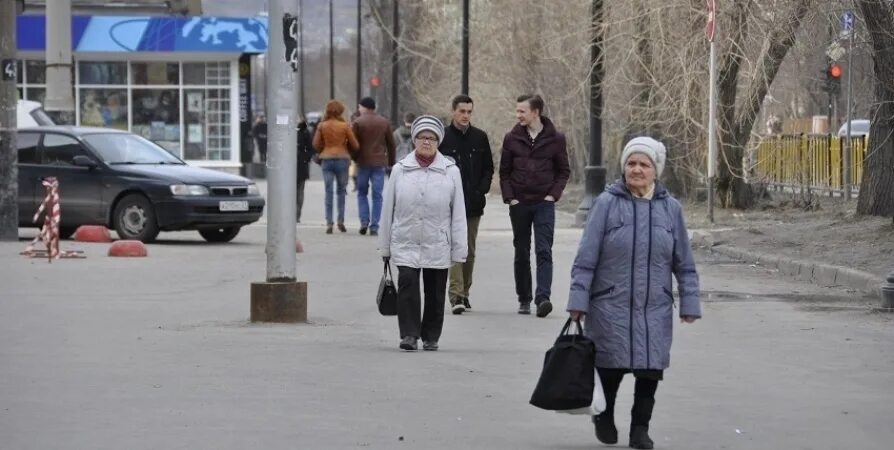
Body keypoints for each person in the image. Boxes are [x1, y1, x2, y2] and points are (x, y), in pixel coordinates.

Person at [567, 137, 701, 450]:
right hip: (610, 303)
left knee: (650, 371)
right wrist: (578, 301)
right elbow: (586, 258)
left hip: (654, 305)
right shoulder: (606, 204)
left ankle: (640, 429)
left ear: (656, 170)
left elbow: (684, 261)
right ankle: (605, 415)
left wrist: (689, 301)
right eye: (631, 163)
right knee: (610, 367)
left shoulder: (671, 209)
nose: (636, 169)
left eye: (644, 164)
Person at [379, 115, 467, 352]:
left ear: (438, 141)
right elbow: (388, 210)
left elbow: (458, 213)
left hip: (437, 240)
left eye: (431, 138)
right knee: (407, 285)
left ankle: (430, 336)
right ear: (414, 139)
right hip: (405, 239)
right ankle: (409, 334)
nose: (426, 142)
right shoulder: (400, 170)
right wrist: (385, 246)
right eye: (421, 137)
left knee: (435, 291)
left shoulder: (450, 171)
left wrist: (460, 248)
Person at [499, 94, 570, 318]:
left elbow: (563, 171)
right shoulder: (511, 138)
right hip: (519, 203)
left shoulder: (556, 139)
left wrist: (553, 195)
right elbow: (504, 173)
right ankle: (524, 298)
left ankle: (543, 299)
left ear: (536, 112)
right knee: (521, 251)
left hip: (544, 204)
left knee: (543, 250)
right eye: (517, 110)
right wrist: (511, 198)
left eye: (522, 111)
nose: (517, 115)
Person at [439, 95, 493, 314]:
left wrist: (481, 190)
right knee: (453, 248)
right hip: (448, 203)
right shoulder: (442, 137)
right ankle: (455, 295)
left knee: (468, 250)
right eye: (462, 111)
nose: (465, 116)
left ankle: (465, 292)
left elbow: (489, 168)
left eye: (469, 112)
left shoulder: (480, 138)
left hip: (472, 203)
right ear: (453, 111)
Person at [312, 100, 360, 234]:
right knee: (341, 191)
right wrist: (346, 149)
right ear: (340, 111)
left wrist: (324, 148)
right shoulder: (344, 126)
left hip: (326, 159)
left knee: (328, 191)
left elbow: (315, 145)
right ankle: (340, 220)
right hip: (342, 159)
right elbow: (355, 145)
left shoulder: (322, 126)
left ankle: (329, 222)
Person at [352, 97, 396, 236]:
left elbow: (352, 143)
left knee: (362, 193)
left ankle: (364, 221)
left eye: (360, 107)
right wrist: (391, 162)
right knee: (377, 195)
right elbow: (391, 144)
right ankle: (375, 225)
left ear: (364, 107)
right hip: (379, 163)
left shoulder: (358, 122)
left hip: (363, 162)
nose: (359, 109)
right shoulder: (384, 122)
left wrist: (355, 158)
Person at [296, 117, 315, 223]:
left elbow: (310, 148)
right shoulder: (304, 131)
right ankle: (294, 214)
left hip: (300, 165)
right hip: (295, 165)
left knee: (298, 191)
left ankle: (296, 215)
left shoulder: (304, 132)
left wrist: (305, 158)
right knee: (296, 192)